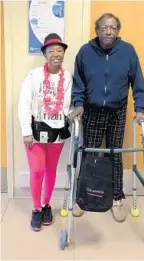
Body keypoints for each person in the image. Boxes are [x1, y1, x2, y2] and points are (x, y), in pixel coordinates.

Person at [70, 13, 144, 222]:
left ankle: (115, 199)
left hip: (117, 111)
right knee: (90, 155)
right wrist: (78, 105)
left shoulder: (128, 51)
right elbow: (78, 84)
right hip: (92, 110)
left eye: (113, 27)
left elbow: (138, 83)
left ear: (118, 31)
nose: (108, 31)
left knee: (115, 155)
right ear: (96, 31)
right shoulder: (85, 52)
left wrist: (140, 109)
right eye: (104, 27)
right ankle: (83, 198)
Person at [18, 33, 72, 231]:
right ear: (45, 54)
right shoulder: (34, 75)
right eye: (51, 50)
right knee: (38, 170)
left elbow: (69, 104)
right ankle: (35, 208)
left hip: (57, 134)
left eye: (59, 50)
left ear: (64, 53)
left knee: (51, 171)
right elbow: (23, 103)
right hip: (35, 132)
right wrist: (26, 131)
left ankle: (47, 204)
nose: (56, 54)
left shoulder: (68, 78)